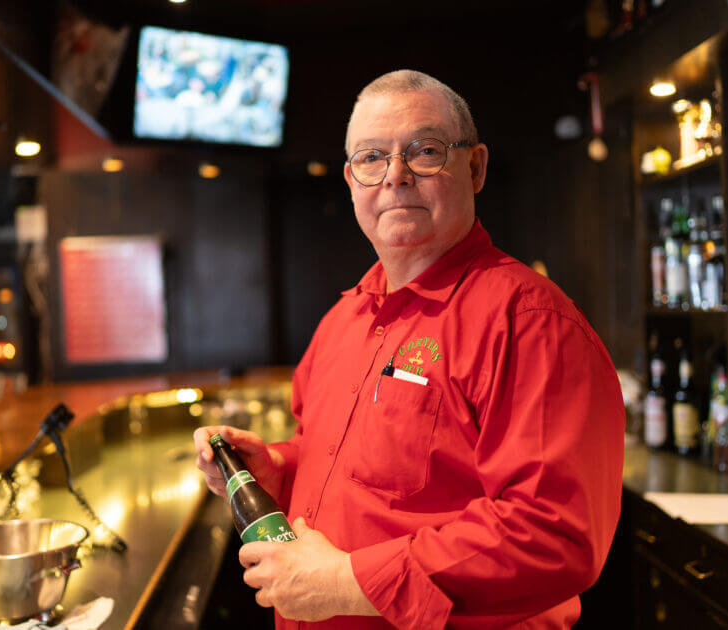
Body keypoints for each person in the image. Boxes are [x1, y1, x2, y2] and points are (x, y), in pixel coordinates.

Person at [193, 70, 624, 629]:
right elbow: (344, 465)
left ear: (475, 167)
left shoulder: (530, 322)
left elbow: (554, 533)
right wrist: (276, 468)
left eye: (424, 151)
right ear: (351, 181)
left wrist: (348, 583)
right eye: (372, 158)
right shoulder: (342, 319)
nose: (395, 176)